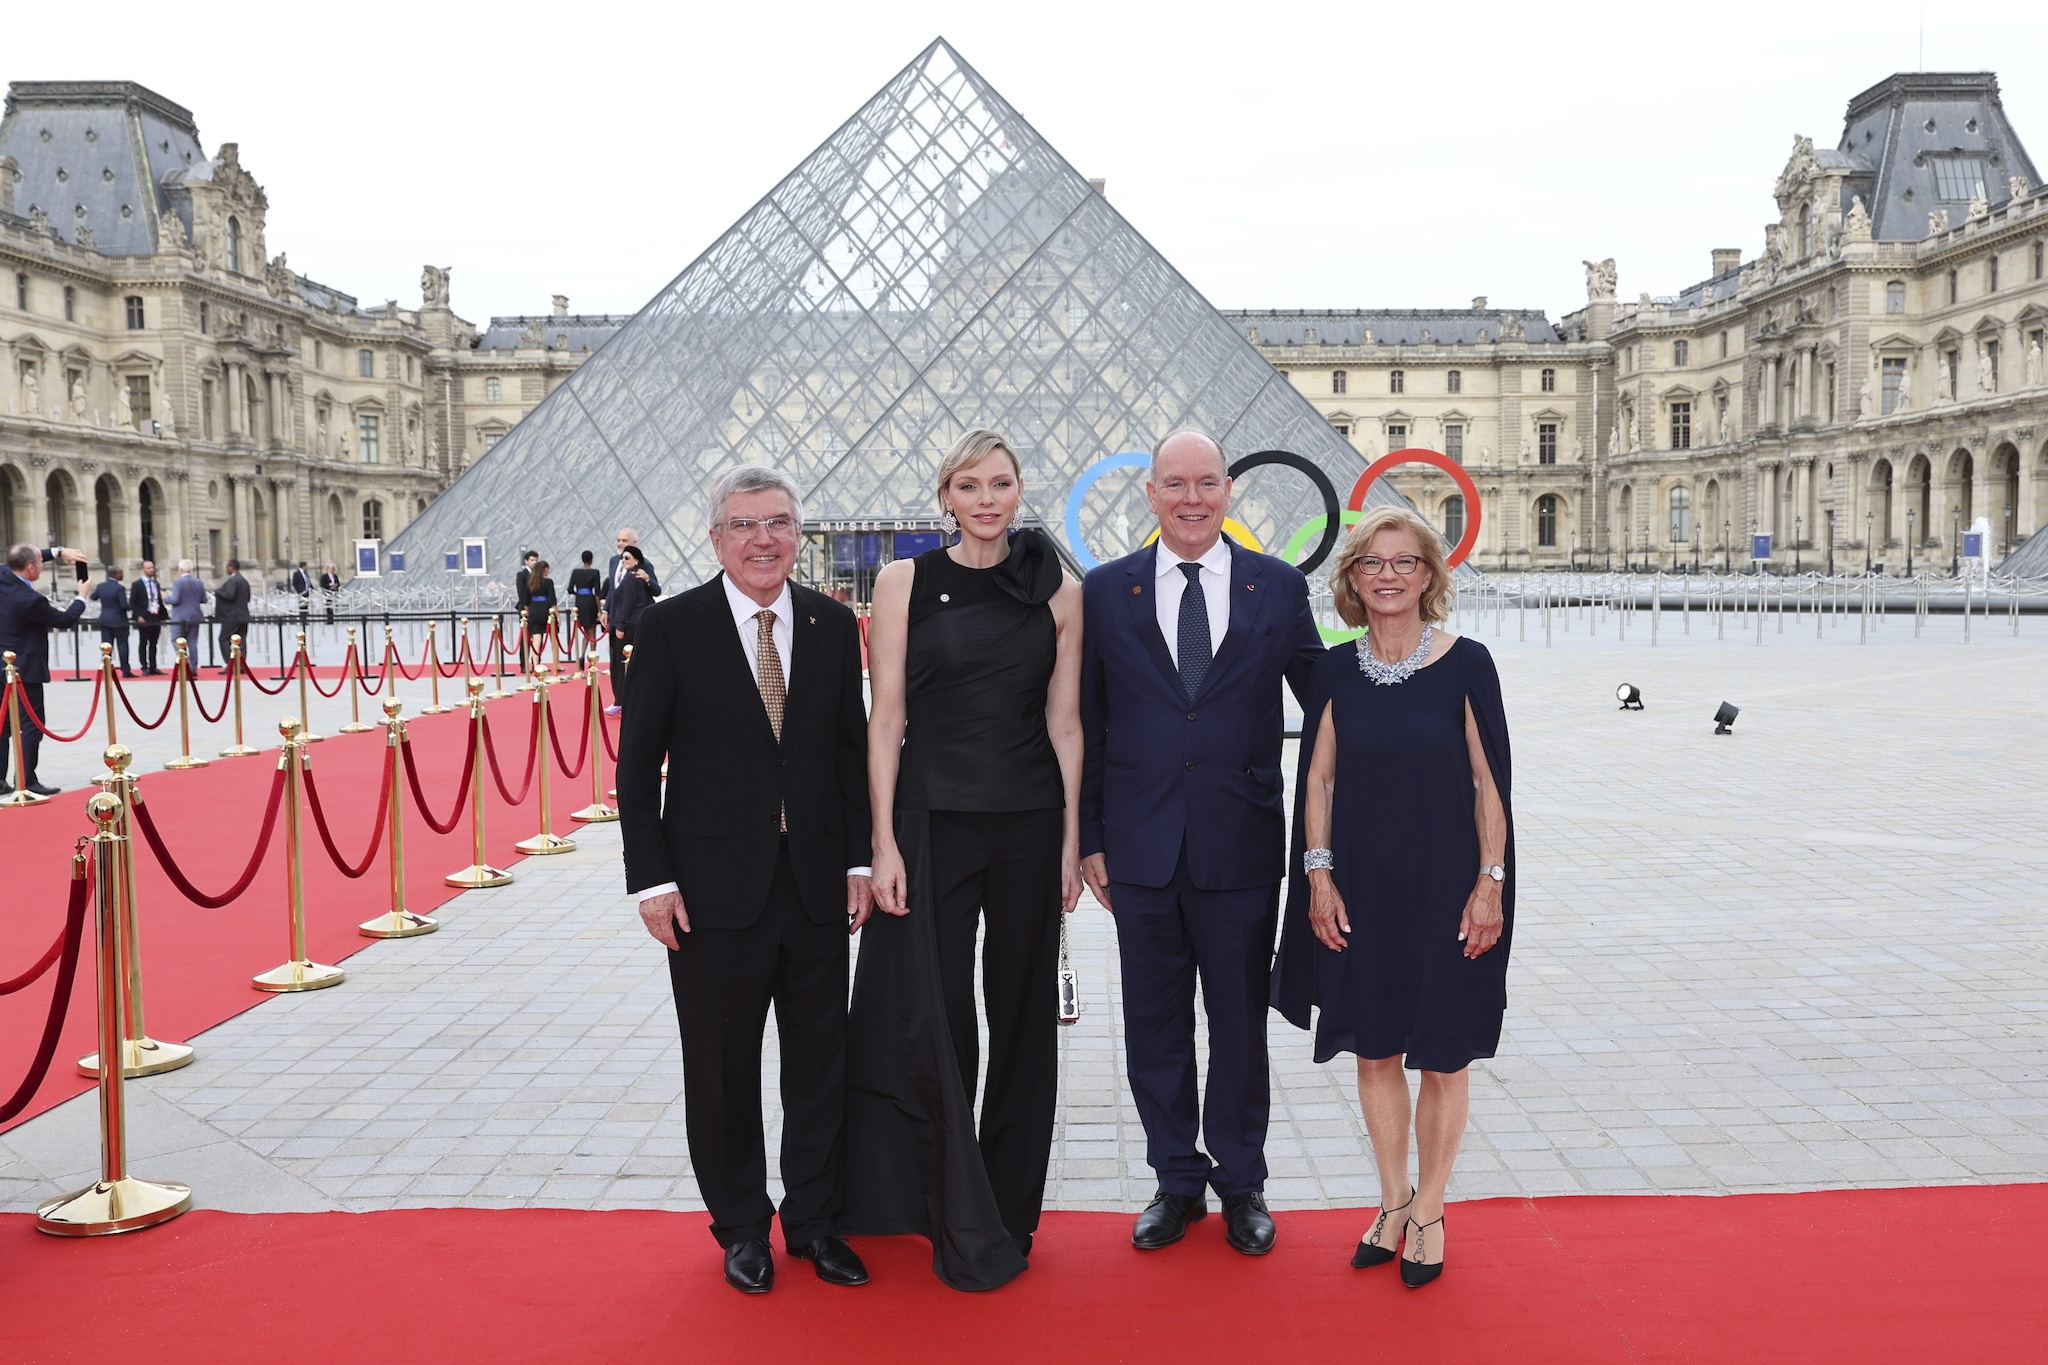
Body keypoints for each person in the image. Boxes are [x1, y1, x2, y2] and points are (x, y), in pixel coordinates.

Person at [616, 465, 874, 1296]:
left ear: (799, 533)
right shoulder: (670, 626)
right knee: (721, 1067)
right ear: (716, 536)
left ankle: (816, 1221)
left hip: (814, 887)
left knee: (820, 1062)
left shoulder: (834, 625)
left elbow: (848, 751)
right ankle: (740, 1226)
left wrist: (859, 861)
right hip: (711, 891)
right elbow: (636, 765)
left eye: (779, 522)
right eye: (744, 524)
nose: (763, 538)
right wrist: (650, 880)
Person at [844, 430, 1083, 1291]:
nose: (988, 499)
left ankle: (1010, 1208)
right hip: (931, 820)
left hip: (1026, 822)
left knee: (1022, 1018)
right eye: (971, 485)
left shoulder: (1059, 589)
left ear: (1021, 491)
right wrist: (882, 843)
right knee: (937, 1017)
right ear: (945, 493)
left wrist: (1068, 840)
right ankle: (951, 1203)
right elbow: (885, 719)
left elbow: (1065, 722)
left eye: (1003, 483)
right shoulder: (904, 580)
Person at [1077, 428, 1322, 1258]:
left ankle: (1242, 1179)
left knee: (1239, 1022)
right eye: (1174, 483)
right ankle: (1176, 1179)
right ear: (1149, 494)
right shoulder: (1105, 591)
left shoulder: (1278, 587)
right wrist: (1086, 837)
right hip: (1138, 846)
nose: (1191, 497)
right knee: (1153, 1022)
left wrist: (1417, 670)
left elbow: (1324, 700)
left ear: (1228, 491)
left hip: (1240, 841)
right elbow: (1087, 721)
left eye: (1207, 482)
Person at [1273, 506, 1512, 1289]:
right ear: (1350, 577)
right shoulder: (1335, 670)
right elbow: (1317, 777)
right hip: (1360, 891)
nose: (1387, 574)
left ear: (1429, 576)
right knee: (1375, 1047)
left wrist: (1490, 882)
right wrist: (1317, 875)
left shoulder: (1468, 662)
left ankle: (1432, 1209)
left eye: (1404, 562)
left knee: (1442, 1052)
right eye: (1372, 562)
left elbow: (1490, 782)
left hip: (1449, 889)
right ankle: (1391, 1199)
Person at [0, 543, 88, 797]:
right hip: (26, 668)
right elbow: (64, 620)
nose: (41, 565)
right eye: (40, 562)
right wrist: (82, 595)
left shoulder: (4, 577)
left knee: (3, 725)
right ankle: (26, 780)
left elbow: (20, 558)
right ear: (31, 568)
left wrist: (58, 552)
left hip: (2, 664)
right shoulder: (30, 600)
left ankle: (0, 780)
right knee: (31, 725)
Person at [605, 545, 655, 716]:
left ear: (636, 559)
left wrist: (620, 625)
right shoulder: (636, 576)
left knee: (622, 663)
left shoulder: (632, 578)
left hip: (629, 626)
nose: (623, 561)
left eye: (627, 558)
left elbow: (628, 603)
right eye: (622, 558)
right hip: (640, 624)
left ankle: (622, 700)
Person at [602, 527, 659, 638]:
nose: (620, 543)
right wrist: (605, 610)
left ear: (635, 543)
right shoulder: (613, 561)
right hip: (615, 618)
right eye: (618, 540)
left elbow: (656, 590)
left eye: (624, 540)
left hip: (633, 621)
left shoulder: (644, 564)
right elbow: (612, 589)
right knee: (615, 653)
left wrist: (647, 578)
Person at [90, 566, 133, 677]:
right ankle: (125, 670)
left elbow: (93, 597)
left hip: (105, 619)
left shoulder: (101, 586)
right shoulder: (119, 588)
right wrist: (131, 606)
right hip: (119, 620)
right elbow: (123, 605)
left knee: (106, 646)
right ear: (115, 574)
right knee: (122, 644)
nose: (122, 575)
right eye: (121, 573)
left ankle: (106, 668)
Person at [130, 560, 168, 675]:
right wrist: (138, 616)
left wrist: (163, 617)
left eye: (152, 567)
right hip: (144, 616)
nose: (151, 570)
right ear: (143, 569)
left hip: (155, 615)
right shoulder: (137, 585)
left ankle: (153, 666)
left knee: (154, 643)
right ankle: (144, 666)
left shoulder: (156, 584)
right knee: (143, 642)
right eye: (148, 568)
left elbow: (159, 601)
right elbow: (133, 602)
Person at [213, 559, 251, 671]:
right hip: (243, 614)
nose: (226, 570)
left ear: (231, 567)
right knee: (241, 641)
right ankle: (242, 664)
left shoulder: (233, 581)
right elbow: (247, 597)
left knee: (223, 639)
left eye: (227, 567)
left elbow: (229, 595)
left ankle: (231, 664)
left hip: (232, 616)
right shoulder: (244, 580)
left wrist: (218, 591)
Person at [167, 559, 207, 665]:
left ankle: (185, 663)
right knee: (192, 642)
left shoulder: (178, 582)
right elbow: (204, 599)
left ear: (180, 570)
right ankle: (193, 667)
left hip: (180, 616)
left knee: (176, 639)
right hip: (195, 615)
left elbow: (175, 599)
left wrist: (165, 598)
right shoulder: (199, 582)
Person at [523, 559, 557, 664]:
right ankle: (556, 663)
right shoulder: (548, 582)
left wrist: (528, 612)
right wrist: (557, 616)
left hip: (534, 611)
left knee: (536, 640)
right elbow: (553, 600)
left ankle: (536, 664)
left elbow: (525, 602)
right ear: (545, 570)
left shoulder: (530, 583)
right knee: (553, 639)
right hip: (546, 612)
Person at [568, 550, 603, 644]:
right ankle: (592, 654)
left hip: (579, 601)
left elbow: (570, 589)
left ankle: (583, 653)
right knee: (592, 631)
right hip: (590, 601)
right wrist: (599, 610)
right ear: (591, 560)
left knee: (586, 631)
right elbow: (597, 592)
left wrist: (578, 594)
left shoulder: (575, 572)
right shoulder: (595, 572)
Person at [514, 550, 540, 671]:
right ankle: (523, 664)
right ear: (526, 561)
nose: (534, 562)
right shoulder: (521, 575)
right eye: (532, 560)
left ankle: (536, 662)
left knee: (537, 636)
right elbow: (521, 592)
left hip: (536, 608)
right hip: (525, 609)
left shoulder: (539, 575)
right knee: (525, 637)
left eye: (536, 560)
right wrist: (525, 608)